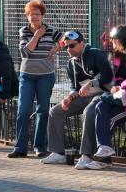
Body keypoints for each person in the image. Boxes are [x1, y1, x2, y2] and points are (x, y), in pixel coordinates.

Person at [77, 25, 126, 170]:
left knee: (109, 120)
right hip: (119, 98)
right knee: (99, 106)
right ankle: (103, 151)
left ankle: (103, 158)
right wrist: (116, 87)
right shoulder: (117, 56)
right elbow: (116, 79)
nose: (111, 41)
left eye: (114, 39)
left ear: (123, 40)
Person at [41, 31, 113, 164]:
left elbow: (108, 75)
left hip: (102, 95)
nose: (69, 49)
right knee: (55, 111)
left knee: (88, 112)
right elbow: (75, 87)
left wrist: (91, 83)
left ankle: (86, 155)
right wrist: (69, 97)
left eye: (72, 45)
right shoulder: (71, 64)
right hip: (84, 97)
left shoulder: (95, 53)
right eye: (66, 46)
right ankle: (58, 153)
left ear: (81, 43)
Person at [9, 0, 62, 158]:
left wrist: (56, 48)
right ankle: (20, 147)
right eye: (31, 14)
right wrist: (38, 35)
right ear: (27, 17)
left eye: (37, 14)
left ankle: (39, 146)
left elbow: (65, 39)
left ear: (43, 15)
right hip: (27, 76)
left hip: (46, 76)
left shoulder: (52, 30)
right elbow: (25, 53)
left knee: (43, 110)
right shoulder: (24, 31)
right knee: (23, 110)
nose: (34, 17)